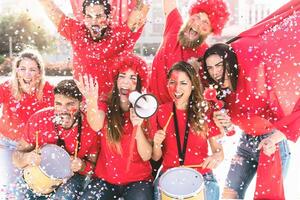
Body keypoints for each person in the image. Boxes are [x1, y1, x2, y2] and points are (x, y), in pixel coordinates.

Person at [202, 42, 297, 199]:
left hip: (272, 144)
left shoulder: (254, 82)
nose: (215, 72)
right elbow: (229, 127)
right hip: (245, 144)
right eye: (210, 68)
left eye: (219, 65)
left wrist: (272, 140)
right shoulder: (220, 92)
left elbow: (290, 117)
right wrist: (223, 124)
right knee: (229, 195)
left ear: (229, 61)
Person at [76, 54, 153, 200]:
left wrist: (138, 127)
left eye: (133, 78)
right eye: (122, 76)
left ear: (139, 84)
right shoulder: (106, 104)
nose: (126, 82)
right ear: (116, 80)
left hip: (138, 181)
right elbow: (96, 124)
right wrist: (92, 101)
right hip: (105, 180)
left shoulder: (145, 108)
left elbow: (146, 155)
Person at [38, 0, 149, 97]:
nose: (94, 22)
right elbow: (49, 8)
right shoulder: (77, 33)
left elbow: (144, 6)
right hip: (82, 106)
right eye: (89, 16)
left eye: (99, 16)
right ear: (84, 17)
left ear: (108, 17)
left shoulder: (118, 36)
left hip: (112, 107)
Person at [12, 80, 99, 200]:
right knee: (18, 194)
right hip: (36, 173)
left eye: (70, 104)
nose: (64, 110)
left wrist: (82, 165)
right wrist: (27, 158)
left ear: (80, 103)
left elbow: (93, 167)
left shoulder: (90, 127)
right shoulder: (38, 119)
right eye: (58, 104)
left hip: (71, 178)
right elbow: (16, 156)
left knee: (63, 197)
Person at [152, 61, 224, 200]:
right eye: (172, 82)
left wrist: (215, 157)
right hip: (169, 176)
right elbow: (156, 157)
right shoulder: (161, 111)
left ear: (192, 86)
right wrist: (156, 143)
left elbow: (219, 152)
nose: (177, 88)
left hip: (201, 175)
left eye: (183, 83)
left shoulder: (205, 111)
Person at [149, 0, 230, 105]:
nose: (197, 23)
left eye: (205, 22)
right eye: (197, 17)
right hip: (147, 108)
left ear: (211, 30)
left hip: (173, 117)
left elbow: (213, 98)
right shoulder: (175, 26)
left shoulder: (207, 58)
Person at [0, 49, 54, 197]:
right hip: (8, 144)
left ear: (39, 72)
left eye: (32, 69)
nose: (27, 74)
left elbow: (64, 109)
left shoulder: (49, 90)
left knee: (32, 189)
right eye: (22, 69)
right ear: (16, 71)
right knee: (11, 189)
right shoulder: (6, 88)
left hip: (34, 148)